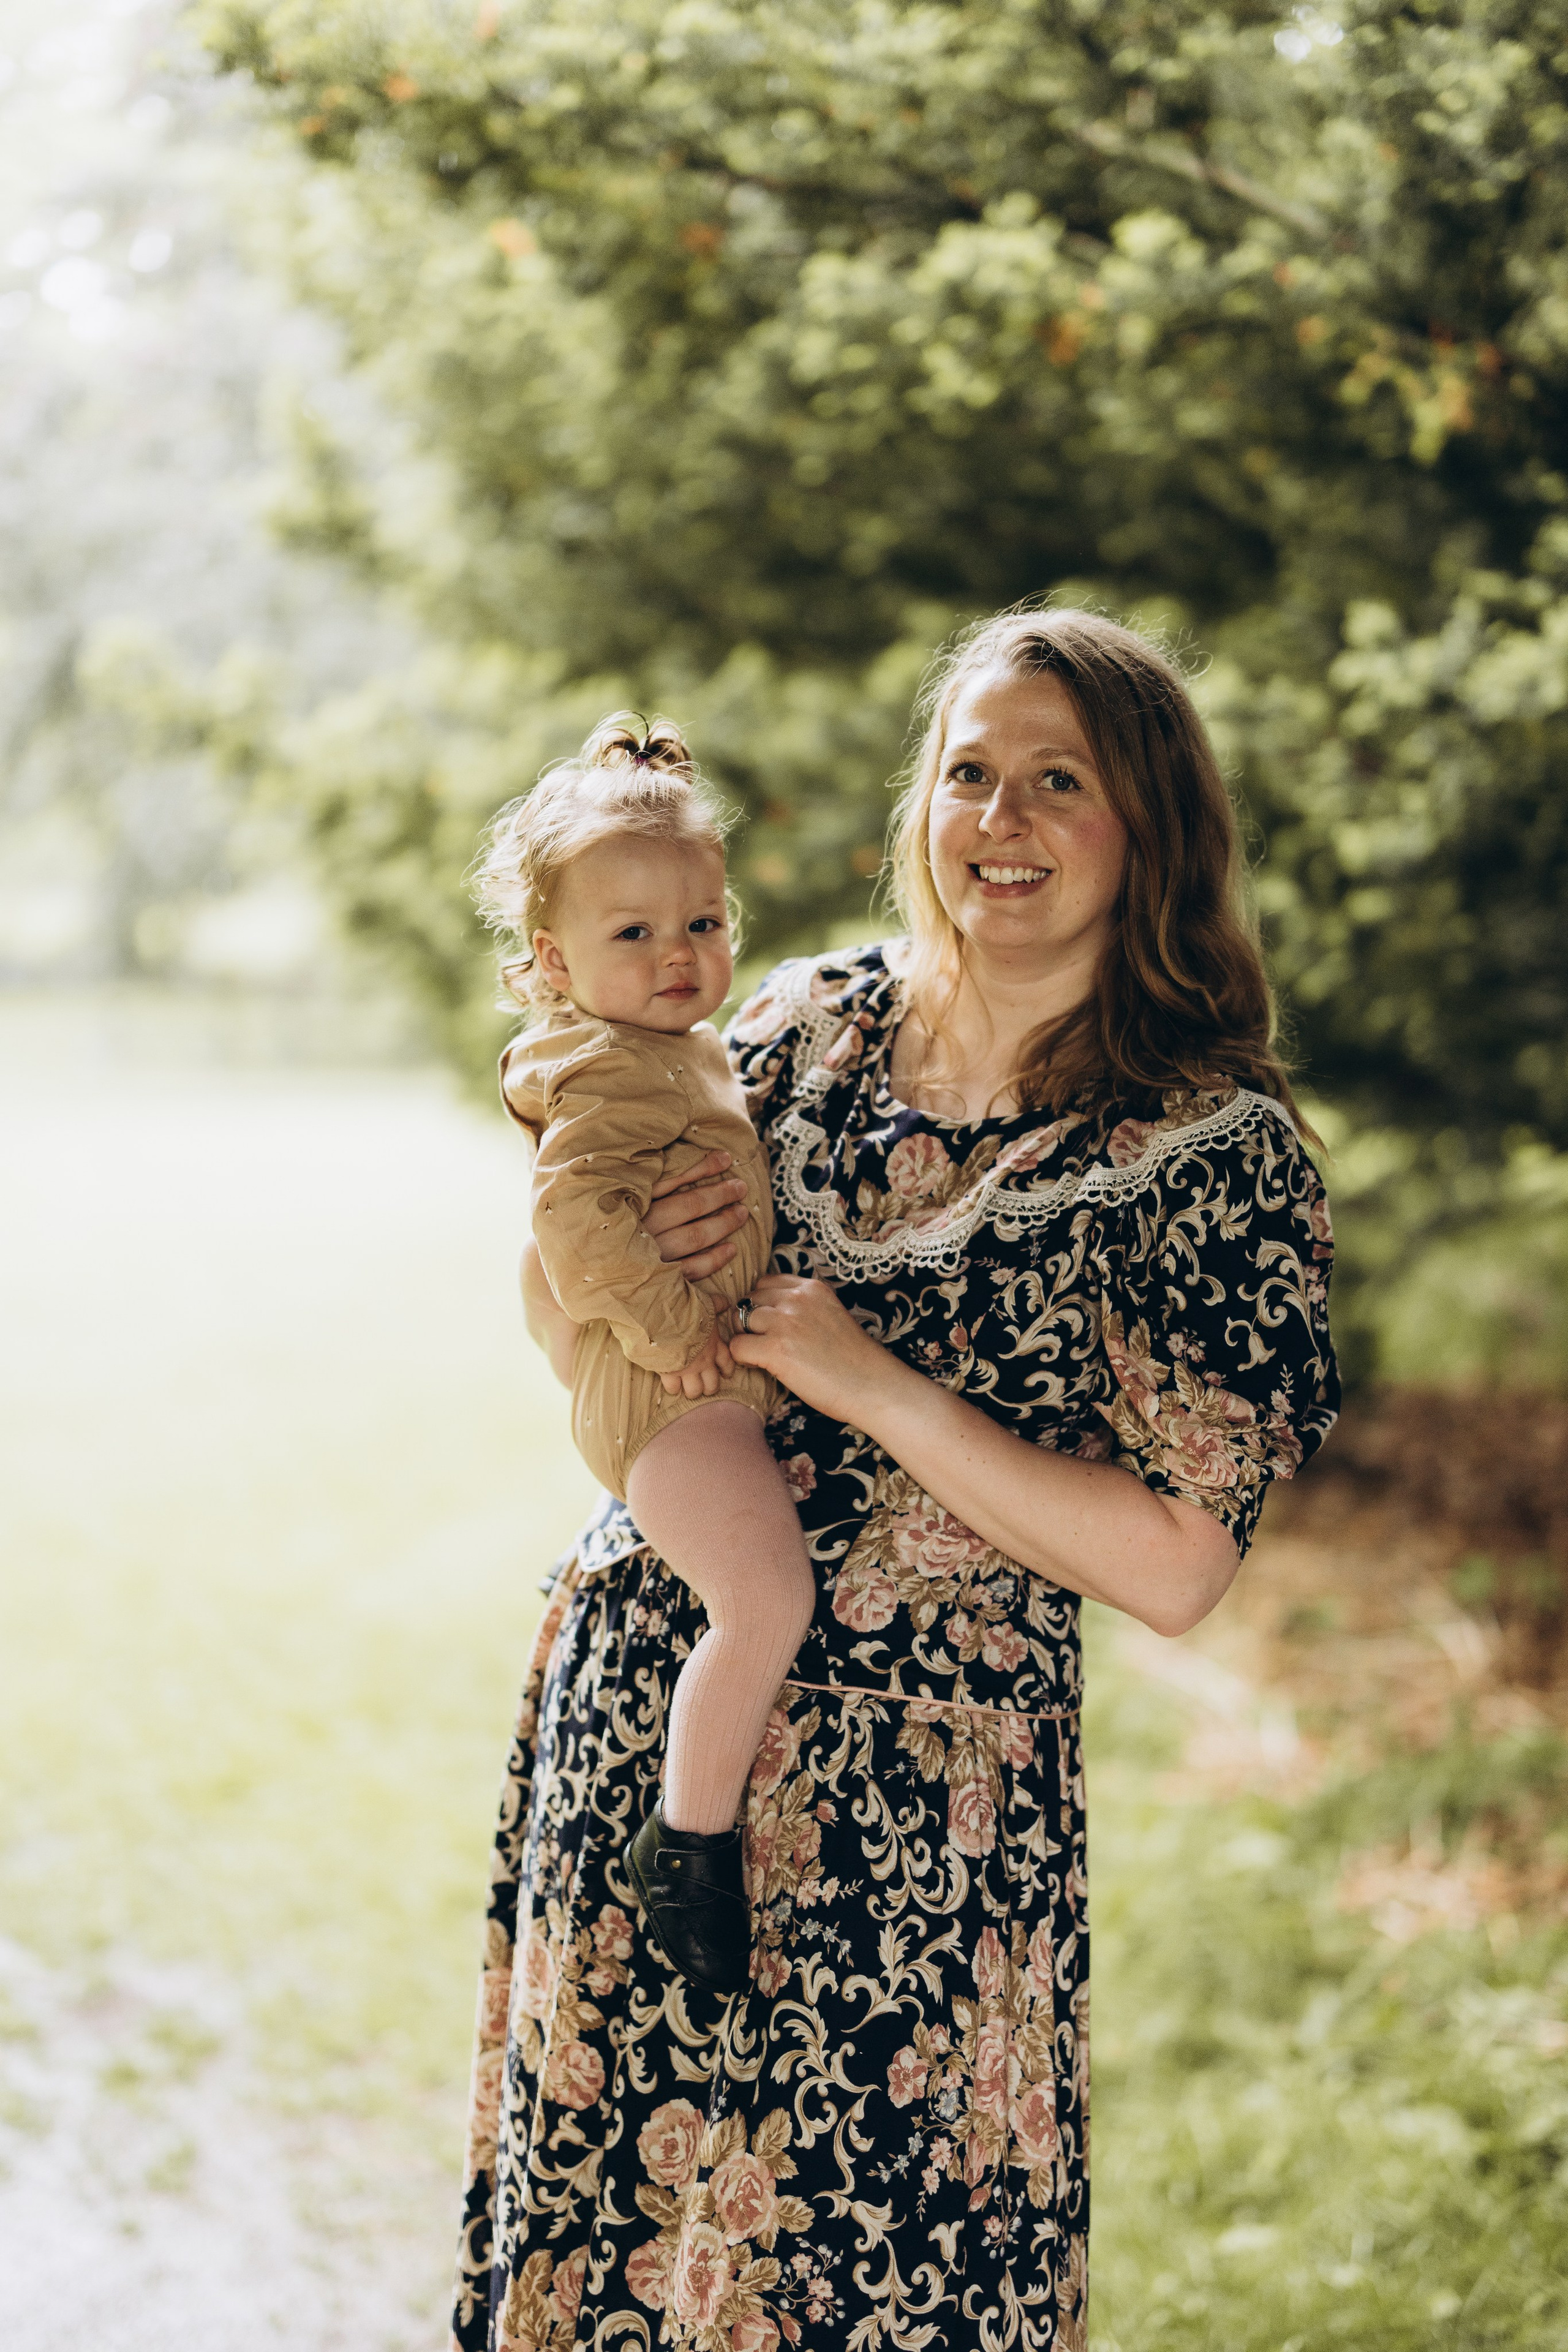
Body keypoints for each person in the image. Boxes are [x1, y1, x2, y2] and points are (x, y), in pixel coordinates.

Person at [452, 609, 1339, 2352]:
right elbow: (580, 1276)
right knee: (620, 2271)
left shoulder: (1204, 1156)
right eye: (970, 774)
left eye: (1058, 782)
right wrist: (622, 1263)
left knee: (881, 2291)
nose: (1000, 819)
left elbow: (1173, 1567)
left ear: (1148, 822)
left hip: (922, 1841)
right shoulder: (790, 1032)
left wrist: (870, 1382)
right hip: (657, 1748)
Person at [474, 715, 815, 1996]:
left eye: (704, 925)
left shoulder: (676, 1051)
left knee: (759, 1589)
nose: (680, 957)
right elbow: (565, 1222)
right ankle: (687, 1845)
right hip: (679, 1394)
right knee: (764, 1600)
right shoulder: (614, 1072)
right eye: (635, 935)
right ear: (556, 960)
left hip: (693, 1383)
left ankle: (690, 1826)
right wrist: (678, 1335)